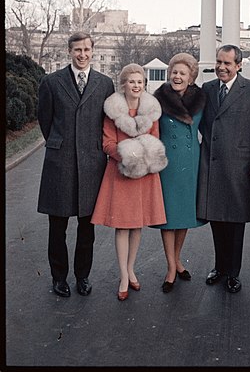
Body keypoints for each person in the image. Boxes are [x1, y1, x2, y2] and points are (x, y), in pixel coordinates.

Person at [37, 31, 115, 298]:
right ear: (69, 51)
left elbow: (108, 122)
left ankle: (83, 276)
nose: (82, 55)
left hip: (92, 164)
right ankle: (59, 277)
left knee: (87, 226)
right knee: (57, 225)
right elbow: (45, 120)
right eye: (77, 50)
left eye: (86, 50)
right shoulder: (51, 82)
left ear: (93, 51)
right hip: (60, 162)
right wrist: (61, 143)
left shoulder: (105, 84)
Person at [197, 45, 250, 293]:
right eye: (219, 62)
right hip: (212, 162)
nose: (221, 67)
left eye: (227, 63)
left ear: (239, 65)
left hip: (239, 166)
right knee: (216, 219)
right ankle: (219, 267)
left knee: (235, 222)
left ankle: (233, 273)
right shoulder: (207, 89)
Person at [91, 64, 168, 300]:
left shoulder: (152, 111)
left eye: (140, 82)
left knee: (137, 224)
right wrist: (129, 155)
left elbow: (155, 138)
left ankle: (132, 268)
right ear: (123, 84)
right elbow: (107, 144)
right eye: (132, 81)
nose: (136, 86)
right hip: (122, 172)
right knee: (123, 226)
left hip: (145, 174)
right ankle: (123, 275)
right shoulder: (113, 111)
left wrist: (144, 158)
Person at [152, 53, 206, 293]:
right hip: (168, 162)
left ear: (191, 77)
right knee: (168, 217)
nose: (177, 76)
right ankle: (171, 267)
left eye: (183, 73)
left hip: (190, 160)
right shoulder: (158, 99)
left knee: (184, 214)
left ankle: (178, 260)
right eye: (174, 72)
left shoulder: (201, 100)